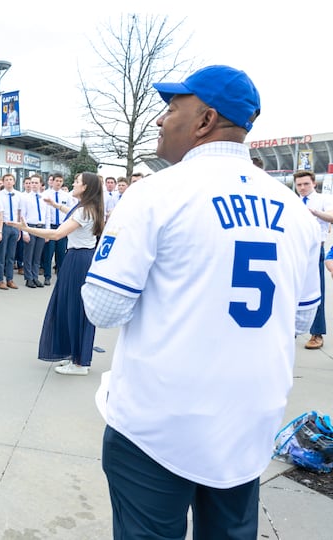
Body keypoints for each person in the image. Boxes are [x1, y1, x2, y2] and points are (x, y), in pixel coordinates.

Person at [81, 65, 320, 539]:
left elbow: (102, 309)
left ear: (205, 120)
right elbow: (301, 317)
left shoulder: (154, 193)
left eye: (172, 109)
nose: (160, 120)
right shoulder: (296, 209)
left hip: (158, 423)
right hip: (248, 420)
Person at [9, 172, 103, 374]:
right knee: (71, 306)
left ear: (85, 187)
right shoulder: (87, 208)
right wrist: (56, 205)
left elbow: (56, 234)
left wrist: (27, 229)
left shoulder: (84, 211)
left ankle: (79, 363)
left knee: (75, 308)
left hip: (78, 260)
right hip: (80, 258)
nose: (73, 184)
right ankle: (75, 355)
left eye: (77, 182)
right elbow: (72, 212)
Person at [295, 170, 331, 349]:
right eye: (299, 184)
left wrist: (314, 212)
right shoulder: (292, 201)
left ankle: (317, 333)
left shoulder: (324, 199)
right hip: (294, 248)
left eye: (306, 184)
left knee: (316, 290)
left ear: (314, 183)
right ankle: (291, 329)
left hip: (315, 248)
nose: (302, 188)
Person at [20, 175, 49, 288]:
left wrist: (47, 232)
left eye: (36, 182)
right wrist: (25, 232)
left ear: (40, 184)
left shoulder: (44, 198)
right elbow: (23, 216)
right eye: (32, 182)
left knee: (37, 255)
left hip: (41, 228)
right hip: (30, 227)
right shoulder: (25, 198)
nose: (34, 185)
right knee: (29, 255)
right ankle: (29, 278)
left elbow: (47, 216)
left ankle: (35, 277)